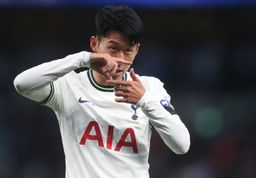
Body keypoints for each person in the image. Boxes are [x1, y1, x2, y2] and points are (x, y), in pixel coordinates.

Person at [13, 5, 190, 178]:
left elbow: (182, 145)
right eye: (113, 48)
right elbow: (21, 83)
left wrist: (144, 100)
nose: (120, 59)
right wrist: (83, 59)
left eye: (128, 51)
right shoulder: (69, 85)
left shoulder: (149, 87)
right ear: (94, 44)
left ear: (137, 51)